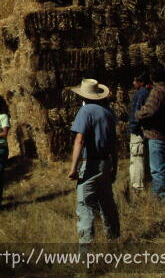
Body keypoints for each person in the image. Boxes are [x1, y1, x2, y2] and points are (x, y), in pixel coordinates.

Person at [67, 79, 120, 245]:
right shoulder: (109, 113)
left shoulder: (85, 111)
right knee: (107, 204)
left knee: (85, 206)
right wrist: (114, 168)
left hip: (89, 163)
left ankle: (87, 251)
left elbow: (79, 140)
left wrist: (73, 168)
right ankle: (114, 240)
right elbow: (114, 144)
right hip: (106, 163)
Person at [135, 64, 165, 199]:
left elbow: (151, 110)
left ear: (152, 77)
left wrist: (138, 114)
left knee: (156, 170)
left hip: (156, 134)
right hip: (163, 133)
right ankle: (161, 196)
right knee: (159, 168)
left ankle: (160, 199)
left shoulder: (157, 92)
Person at [128, 73, 151, 193]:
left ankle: (138, 187)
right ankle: (145, 184)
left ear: (141, 82)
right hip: (145, 132)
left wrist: (133, 127)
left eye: (135, 81)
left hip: (138, 133)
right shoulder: (148, 93)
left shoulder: (140, 94)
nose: (133, 83)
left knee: (137, 159)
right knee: (143, 159)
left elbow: (137, 114)